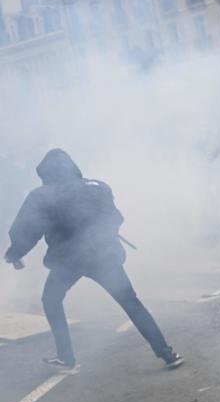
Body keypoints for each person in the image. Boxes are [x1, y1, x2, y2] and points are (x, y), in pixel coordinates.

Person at [4, 149, 183, 370]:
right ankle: (168, 353)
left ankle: (66, 356)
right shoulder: (98, 186)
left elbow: (28, 229)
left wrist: (14, 254)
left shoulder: (42, 195)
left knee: (51, 300)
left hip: (69, 259)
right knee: (131, 302)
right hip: (104, 255)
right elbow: (116, 217)